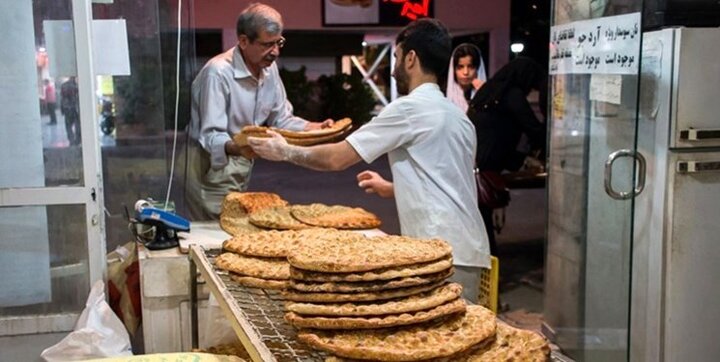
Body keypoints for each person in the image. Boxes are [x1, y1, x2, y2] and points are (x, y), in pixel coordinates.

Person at [248, 18, 490, 303]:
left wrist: (285, 150)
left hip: (439, 252)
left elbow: (337, 158)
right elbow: (449, 179)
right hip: (471, 251)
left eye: (397, 58)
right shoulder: (457, 117)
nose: (395, 67)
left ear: (411, 59)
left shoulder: (410, 109)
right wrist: (392, 187)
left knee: (436, 340)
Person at [186, 3, 333, 220]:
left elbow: (281, 118)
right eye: (267, 45)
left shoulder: (268, 68)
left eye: (279, 43)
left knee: (236, 227)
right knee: (216, 233)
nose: (275, 52)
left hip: (242, 160)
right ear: (244, 41)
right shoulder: (217, 73)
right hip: (211, 166)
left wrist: (316, 128)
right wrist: (243, 147)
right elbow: (210, 135)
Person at [467, 56, 547, 255]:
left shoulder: (487, 91)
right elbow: (533, 128)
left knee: (479, 225)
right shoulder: (512, 95)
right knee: (484, 227)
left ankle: (483, 269)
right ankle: (487, 271)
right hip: (484, 167)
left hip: (471, 162)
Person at [446, 43, 486, 112]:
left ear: (478, 69)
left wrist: (485, 93)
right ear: (453, 70)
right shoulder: (444, 98)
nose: (465, 72)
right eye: (460, 67)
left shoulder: (489, 95)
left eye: (470, 67)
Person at [60, 76, 81, 146]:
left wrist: (62, 109)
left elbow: (62, 99)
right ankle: (78, 140)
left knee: (68, 125)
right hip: (75, 109)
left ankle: (71, 140)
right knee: (77, 124)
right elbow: (78, 98)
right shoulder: (77, 86)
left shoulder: (63, 85)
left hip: (67, 108)